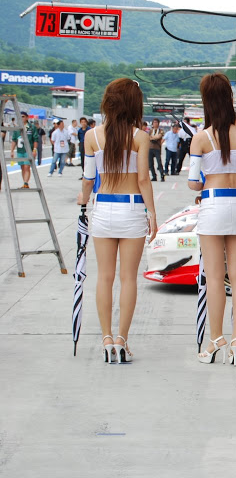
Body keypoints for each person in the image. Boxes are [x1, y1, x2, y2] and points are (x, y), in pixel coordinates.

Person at [77, 78, 157, 363]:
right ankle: (122, 340)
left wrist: (82, 200)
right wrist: (152, 214)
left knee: (105, 277)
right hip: (133, 208)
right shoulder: (139, 137)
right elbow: (144, 179)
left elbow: (88, 179)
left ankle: (106, 338)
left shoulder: (92, 136)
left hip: (102, 209)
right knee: (128, 278)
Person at [189, 73, 236, 365]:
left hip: (213, 204)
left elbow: (193, 183)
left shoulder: (200, 138)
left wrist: (206, 181)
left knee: (215, 277)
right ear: (229, 98)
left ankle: (216, 340)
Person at [10, 112, 38, 189]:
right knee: (22, 167)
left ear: (27, 117)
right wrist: (12, 151)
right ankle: (25, 183)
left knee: (26, 167)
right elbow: (14, 140)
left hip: (28, 150)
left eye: (23, 117)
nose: (21, 118)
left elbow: (35, 139)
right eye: (20, 117)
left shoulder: (32, 127)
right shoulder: (17, 128)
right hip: (20, 150)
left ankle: (26, 182)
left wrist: (34, 150)